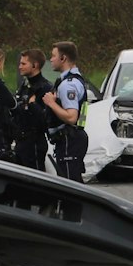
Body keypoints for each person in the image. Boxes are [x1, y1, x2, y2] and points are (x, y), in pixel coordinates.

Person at [45, 40, 90, 182]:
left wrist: (51, 103)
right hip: (73, 138)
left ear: (63, 58)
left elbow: (71, 117)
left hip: (69, 139)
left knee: (70, 185)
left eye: (53, 56)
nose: (51, 59)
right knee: (74, 181)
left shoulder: (68, 85)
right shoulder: (76, 80)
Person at [12, 48, 54, 172]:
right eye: (20, 63)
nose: (20, 67)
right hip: (20, 141)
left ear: (35, 65)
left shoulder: (45, 88)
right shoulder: (24, 86)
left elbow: (46, 120)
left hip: (34, 142)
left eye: (23, 64)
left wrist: (32, 105)